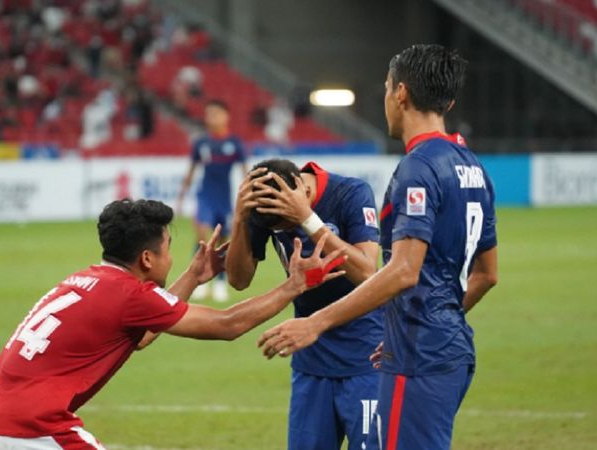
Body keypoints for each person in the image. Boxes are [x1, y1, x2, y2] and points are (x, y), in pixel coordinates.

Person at [256, 44, 499, 450]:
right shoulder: (471, 165)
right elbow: (487, 274)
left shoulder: (418, 168)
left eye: (387, 88)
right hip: (451, 348)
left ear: (400, 93)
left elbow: (403, 271)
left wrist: (315, 322)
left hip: (421, 354)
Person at [0, 198, 345, 450]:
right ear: (148, 258)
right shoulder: (129, 295)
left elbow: (140, 337)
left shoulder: (88, 279)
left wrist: (193, 276)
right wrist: (293, 286)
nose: (172, 255)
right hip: (35, 432)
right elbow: (227, 324)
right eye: (169, 246)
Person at [225, 159, 382, 450]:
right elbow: (238, 279)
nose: (289, 231)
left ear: (303, 191)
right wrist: (239, 219)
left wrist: (306, 218)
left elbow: (367, 272)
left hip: (366, 357)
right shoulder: (267, 206)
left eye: (289, 224)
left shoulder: (351, 193)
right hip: (310, 358)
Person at [176, 99, 247, 302]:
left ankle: (220, 282)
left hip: (224, 199)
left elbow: (245, 172)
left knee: (224, 241)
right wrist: (181, 197)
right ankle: (196, 280)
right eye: (208, 114)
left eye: (215, 113)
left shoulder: (234, 144)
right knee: (201, 237)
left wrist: (248, 198)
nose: (211, 118)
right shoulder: (201, 143)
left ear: (226, 116)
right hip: (204, 196)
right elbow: (191, 171)